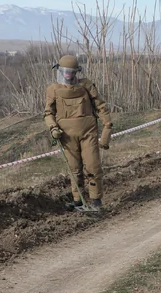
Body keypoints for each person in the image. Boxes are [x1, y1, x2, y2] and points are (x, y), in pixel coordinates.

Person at [43, 54, 113, 212]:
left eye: (72, 71)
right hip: (67, 136)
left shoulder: (86, 85)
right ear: (60, 71)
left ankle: (96, 201)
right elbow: (48, 113)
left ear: (77, 71)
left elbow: (101, 107)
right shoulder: (53, 89)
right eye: (65, 71)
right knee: (74, 169)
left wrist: (107, 129)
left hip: (88, 133)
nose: (68, 74)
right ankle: (78, 200)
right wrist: (53, 128)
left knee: (93, 166)